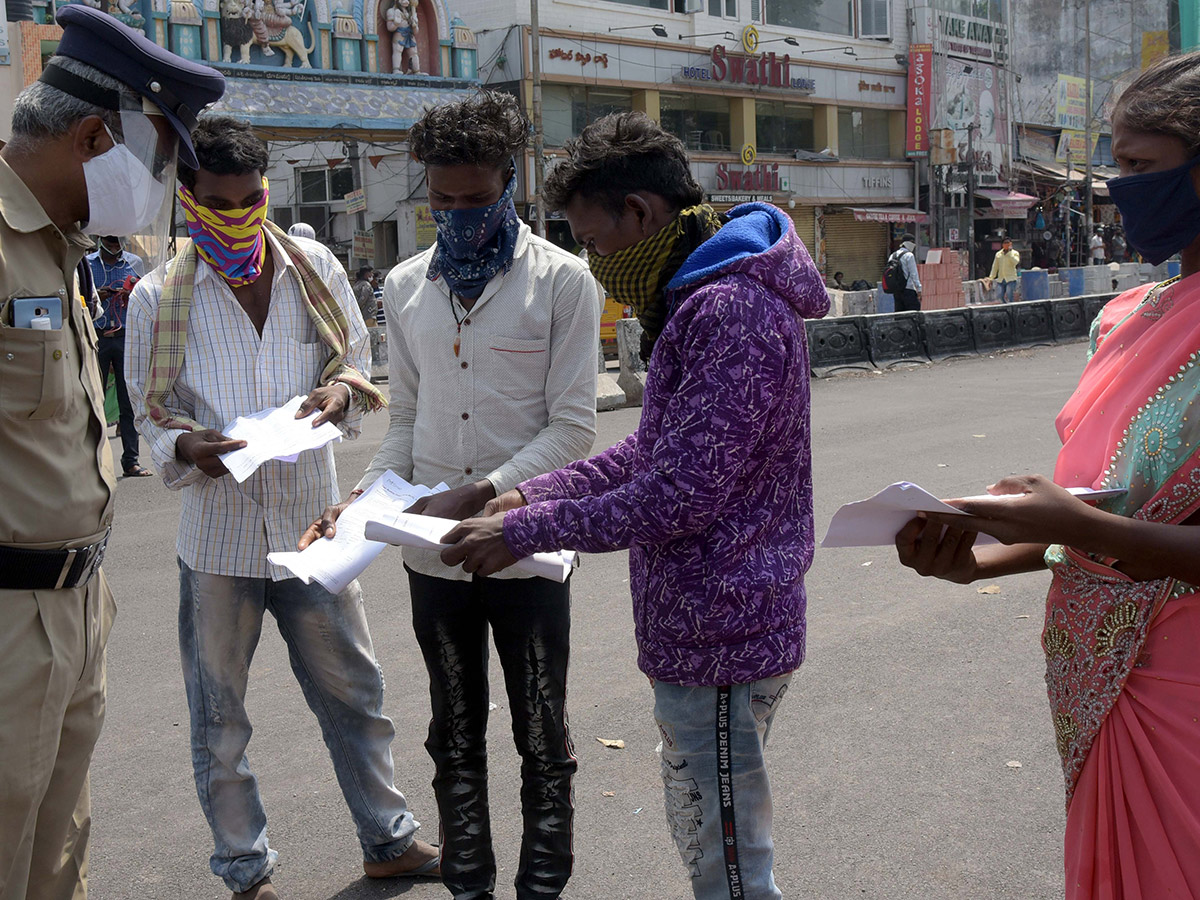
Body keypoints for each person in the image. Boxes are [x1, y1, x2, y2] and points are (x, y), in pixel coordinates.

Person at [439, 111, 829, 900]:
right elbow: (653, 454)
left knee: (728, 856)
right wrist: (523, 491)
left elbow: (678, 493)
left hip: (724, 631)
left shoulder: (730, 312)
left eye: (597, 242)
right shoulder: (700, 301)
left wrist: (526, 528)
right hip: (702, 628)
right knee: (708, 834)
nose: (595, 262)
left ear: (642, 215)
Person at [893, 50, 1200, 899]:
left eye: (1139, 167)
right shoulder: (1130, 316)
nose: (1117, 187)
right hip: (1092, 684)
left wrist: (1074, 526)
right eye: (1114, 162)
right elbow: (1104, 517)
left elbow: (1095, 526)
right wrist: (976, 558)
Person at [125, 117, 439, 900]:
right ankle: (245, 870)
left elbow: (354, 359)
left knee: (356, 695)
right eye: (219, 203)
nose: (238, 217)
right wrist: (187, 450)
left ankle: (389, 840)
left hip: (313, 527)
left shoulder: (313, 268)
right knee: (220, 721)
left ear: (269, 190)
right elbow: (148, 412)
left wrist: (340, 391)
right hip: (218, 542)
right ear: (191, 202)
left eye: (251, 199)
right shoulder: (160, 298)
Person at [299, 92, 601, 900]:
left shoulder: (564, 284)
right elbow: (406, 424)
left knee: (542, 732)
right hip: (431, 556)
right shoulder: (404, 287)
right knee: (453, 730)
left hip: (528, 547)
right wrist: (360, 501)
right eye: (442, 200)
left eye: (476, 199)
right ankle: (468, 882)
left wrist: (485, 490)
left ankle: (543, 885)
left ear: (512, 180)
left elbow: (574, 431)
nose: (459, 215)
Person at [0, 8, 224, 900]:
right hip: (8, 616)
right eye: (159, 158)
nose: (164, 183)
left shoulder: (60, 250)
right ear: (94, 135)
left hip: (75, 604)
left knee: (56, 853)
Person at [86, 235, 151, 476]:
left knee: (128, 400)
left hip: (125, 337)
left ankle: (131, 461)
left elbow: (144, 295)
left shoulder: (134, 263)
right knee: (93, 401)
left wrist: (129, 294)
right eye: (110, 242)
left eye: (117, 242)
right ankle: (92, 462)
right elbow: (80, 300)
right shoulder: (88, 264)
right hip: (97, 336)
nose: (114, 247)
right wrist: (96, 298)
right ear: (101, 239)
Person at [888, 233, 922, 311]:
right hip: (908, 290)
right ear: (909, 243)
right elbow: (914, 274)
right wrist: (919, 289)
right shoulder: (909, 255)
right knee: (914, 315)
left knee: (899, 317)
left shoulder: (892, 255)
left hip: (896, 291)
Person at [987, 237, 1021, 303]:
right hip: (1001, 279)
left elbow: (1016, 262)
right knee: (999, 296)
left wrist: (1009, 253)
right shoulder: (998, 254)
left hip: (1010, 279)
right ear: (1002, 244)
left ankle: (1011, 308)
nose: (1006, 244)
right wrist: (991, 278)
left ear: (1011, 244)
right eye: (1005, 243)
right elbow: (995, 267)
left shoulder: (1015, 253)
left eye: (1008, 243)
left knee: (1009, 295)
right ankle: (1005, 308)